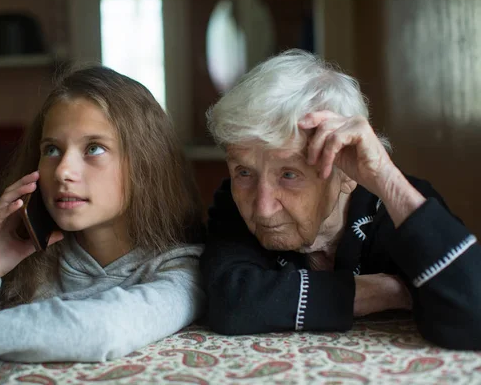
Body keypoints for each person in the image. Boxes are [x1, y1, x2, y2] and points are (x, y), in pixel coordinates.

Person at [0, 66, 206, 384]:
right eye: (51, 149)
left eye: (94, 148)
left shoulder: (181, 269)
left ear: (145, 164)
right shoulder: (31, 265)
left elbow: (104, 329)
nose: (63, 170)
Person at [200, 49, 481, 349]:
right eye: (244, 172)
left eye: (289, 175)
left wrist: (386, 178)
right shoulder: (233, 205)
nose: (263, 208)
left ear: (346, 175)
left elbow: (474, 315)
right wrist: (384, 291)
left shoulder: (401, 207)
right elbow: (230, 302)